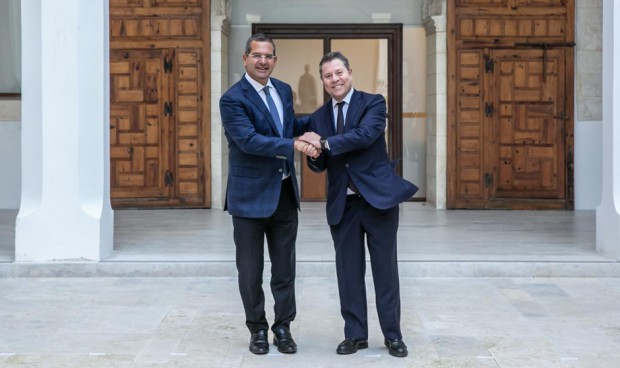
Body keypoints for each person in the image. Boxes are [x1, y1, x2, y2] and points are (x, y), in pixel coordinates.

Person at [299, 51, 418, 358]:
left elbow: (365, 136)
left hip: (378, 200)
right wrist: (314, 155)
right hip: (344, 204)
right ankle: (355, 335)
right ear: (324, 82)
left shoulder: (374, 103)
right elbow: (321, 163)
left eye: (338, 73)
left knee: (385, 272)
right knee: (348, 272)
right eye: (328, 76)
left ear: (349, 73)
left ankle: (393, 335)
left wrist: (324, 143)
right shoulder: (319, 117)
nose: (334, 79)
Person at [219, 33, 319, 355]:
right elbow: (249, 141)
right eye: (257, 55)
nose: (263, 61)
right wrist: (294, 144)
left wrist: (319, 124)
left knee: (285, 270)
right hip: (248, 198)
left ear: (275, 60)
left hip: (284, 195)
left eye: (269, 56)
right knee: (250, 271)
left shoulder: (285, 91)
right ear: (245, 58)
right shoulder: (232, 99)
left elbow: (287, 127)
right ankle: (258, 329)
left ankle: (283, 327)